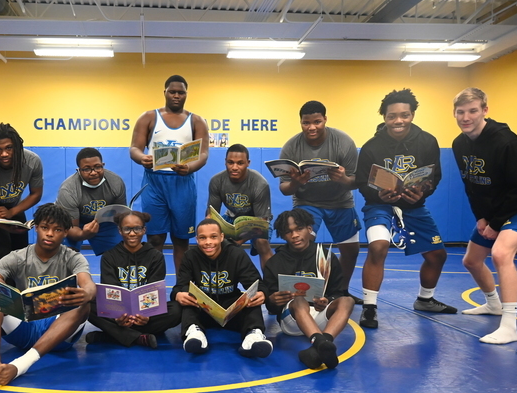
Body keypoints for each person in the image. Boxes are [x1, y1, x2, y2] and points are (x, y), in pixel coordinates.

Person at [0, 203, 96, 386]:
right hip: (23, 327)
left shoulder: (73, 257)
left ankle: (20, 365)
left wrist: (86, 293)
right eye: (45, 227)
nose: (50, 234)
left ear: (65, 232)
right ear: (36, 227)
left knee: (83, 303)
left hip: (59, 333)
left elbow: (88, 284)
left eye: (57, 230)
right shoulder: (18, 256)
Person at [355, 89, 457, 329]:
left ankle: (425, 300)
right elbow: (362, 182)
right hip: (379, 205)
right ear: (384, 117)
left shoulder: (428, 141)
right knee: (378, 246)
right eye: (392, 116)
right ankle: (369, 307)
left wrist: (422, 192)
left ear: (412, 115)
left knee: (438, 255)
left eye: (404, 115)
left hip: (413, 206)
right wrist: (378, 194)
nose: (398, 121)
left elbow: (434, 177)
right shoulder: (371, 147)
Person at [452, 87, 517, 344]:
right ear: (454, 113)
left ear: (485, 110)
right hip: (491, 213)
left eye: (473, 111)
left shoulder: (506, 142)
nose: (466, 117)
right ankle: (493, 304)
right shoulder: (459, 143)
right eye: (460, 112)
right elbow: (471, 184)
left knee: (501, 254)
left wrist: (495, 223)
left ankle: (510, 326)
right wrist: (481, 218)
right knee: (471, 261)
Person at [278, 100, 362, 302]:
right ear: (300, 122)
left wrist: (343, 179)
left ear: (325, 119)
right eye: (306, 123)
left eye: (317, 122)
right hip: (307, 202)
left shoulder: (344, 142)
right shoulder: (291, 147)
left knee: (351, 250)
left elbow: (355, 182)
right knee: (302, 246)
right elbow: (284, 189)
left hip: (340, 202)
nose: (312, 127)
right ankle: (305, 292)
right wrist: (296, 182)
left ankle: (341, 291)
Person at [130, 75, 210, 272]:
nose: (176, 96)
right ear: (164, 92)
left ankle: (181, 285)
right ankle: (154, 283)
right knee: (155, 238)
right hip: (154, 183)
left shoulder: (197, 121)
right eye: (172, 92)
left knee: (181, 239)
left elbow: (203, 154)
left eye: (181, 92)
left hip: (182, 182)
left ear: (186, 94)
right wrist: (142, 158)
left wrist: (189, 168)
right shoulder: (148, 117)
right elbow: (134, 148)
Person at [263, 209, 355, 370]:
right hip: (292, 320)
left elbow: (337, 293)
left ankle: (322, 343)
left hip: (320, 317)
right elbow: (271, 305)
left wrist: (328, 301)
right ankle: (321, 342)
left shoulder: (326, 257)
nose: (295, 235)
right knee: (299, 300)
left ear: (309, 229)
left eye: (299, 229)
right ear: (283, 236)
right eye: (288, 232)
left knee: (347, 301)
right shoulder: (274, 262)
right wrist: (272, 300)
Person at [171, 219, 271, 358]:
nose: (208, 242)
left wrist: (262, 293)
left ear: (221, 237)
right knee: (188, 301)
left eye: (213, 237)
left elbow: (255, 283)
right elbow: (180, 285)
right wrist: (178, 294)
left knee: (251, 301)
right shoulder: (190, 256)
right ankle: (195, 334)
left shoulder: (236, 254)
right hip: (204, 307)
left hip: (231, 309)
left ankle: (253, 337)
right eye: (203, 238)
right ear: (197, 239)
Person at [86, 211, 182, 348]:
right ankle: (137, 337)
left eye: (137, 228)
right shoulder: (109, 256)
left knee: (177, 310)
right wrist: (117, 317)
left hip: (147, 314)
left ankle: (112, 335)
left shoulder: (155, 256)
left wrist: (147, 316)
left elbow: (154, 291)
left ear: (144, 230)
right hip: (118, 315)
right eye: (127, 229)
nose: (132, 233)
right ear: (120, 230)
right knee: (87, 305)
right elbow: (110, 292)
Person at [0, 123, 43, 267]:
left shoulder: (32, 161)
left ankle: (20, 281)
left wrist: (11, 212)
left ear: (17, 146)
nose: (4, 154)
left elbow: (36, 194)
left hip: (13, 205)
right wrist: (7, 228)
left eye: (9, 148)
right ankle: (1, 280)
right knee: (1, 256)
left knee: (21, 254)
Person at [207, 143, 273, 271]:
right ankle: (218, 279)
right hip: (232, 218)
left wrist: (239, 240)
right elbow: (211, 215)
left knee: (261, 242)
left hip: (256, 221)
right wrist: (210, 234)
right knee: (211, 239)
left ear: (248, 163)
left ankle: (271, 281)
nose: (234, 167)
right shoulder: (217, 181)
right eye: (230, 162)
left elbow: (262, 221)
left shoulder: (260, 184)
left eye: (240, 163)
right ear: (225, 162)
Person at [57, 147, 126, 256]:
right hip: (75, 223)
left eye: (97, 167)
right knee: (66, 253)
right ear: (79, 170)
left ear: (103, 165)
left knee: (121, 252)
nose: (93, 173)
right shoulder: (68, 190)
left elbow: (121, 216)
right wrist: (83, 234)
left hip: (104, 223)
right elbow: (70, 227)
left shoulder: (115, 182)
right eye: (86, 169)